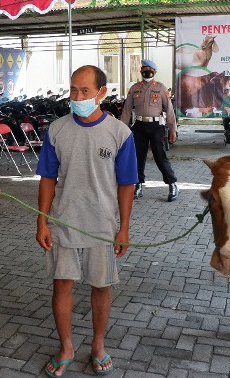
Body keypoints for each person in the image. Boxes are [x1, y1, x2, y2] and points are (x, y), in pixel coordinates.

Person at [36, 65, 137, 377]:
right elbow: (47, 178)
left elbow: (127, 184)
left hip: (103, 224)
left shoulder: (120, 133)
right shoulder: (57, 130)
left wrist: (123, 228)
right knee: (61, 285)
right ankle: (66, 347)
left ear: (101, 93)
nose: (77, 97)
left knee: (101, 286)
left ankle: (98, 345)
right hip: (63, 221)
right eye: (73, 90)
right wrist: (42, 221)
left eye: (85, 91)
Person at [120, 58, 179, 202]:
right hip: (139, 126)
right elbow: (127, 110)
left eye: (149, 70)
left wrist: (173, 129)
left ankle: (172, 184)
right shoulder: (135, 88)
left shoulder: (161, 88)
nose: (146, 72)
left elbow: (169, 110)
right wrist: (121, 129)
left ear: (155, 72)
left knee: (160, 156)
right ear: (140, 71)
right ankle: (138, 185)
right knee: (138, 157)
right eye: (144, 69)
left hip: (156, 127)